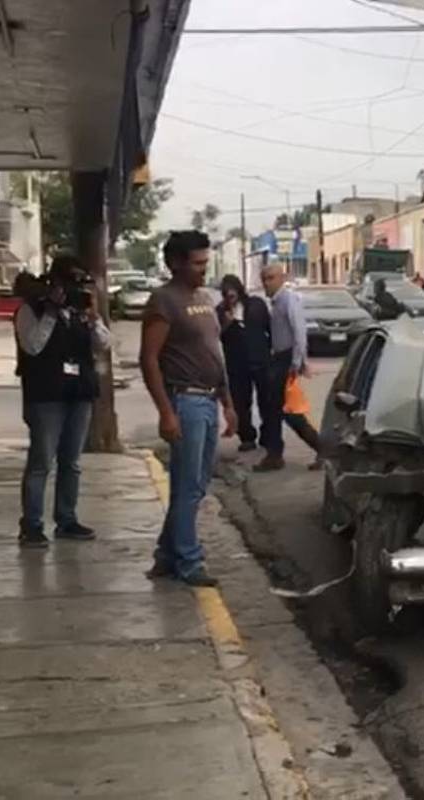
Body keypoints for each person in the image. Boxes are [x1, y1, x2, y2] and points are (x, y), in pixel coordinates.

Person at [141, 231, 237, 587]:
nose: (203, 270)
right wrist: (166, 411)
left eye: (205, 263)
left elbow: (215, 352)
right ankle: (188, 560)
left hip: (209, 400)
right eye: (197, 264)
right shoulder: (163, 302)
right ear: (175, 263)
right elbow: (149, 359)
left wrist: (228, 402)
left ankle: (167, 555)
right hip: (185, 402)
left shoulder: (204, 298)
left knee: (196, 485)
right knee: (186, 486)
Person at [14, 255, 111, 549]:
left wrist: (93, 318)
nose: (74, 290)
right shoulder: (32, 309)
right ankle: (31, 525)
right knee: (42, 461)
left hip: (78, 392)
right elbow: (32, 346)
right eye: (70, 282)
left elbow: (104, 344)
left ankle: (66, 519)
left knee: (71, 461)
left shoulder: (81, 310)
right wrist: (52, 312)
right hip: (46, 395)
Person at [256, 262, 321, 471]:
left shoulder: (288, 299)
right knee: (274, 409)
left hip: (286, 361)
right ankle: (274, 455)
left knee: (289, 411)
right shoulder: (275, 303)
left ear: (282, 278)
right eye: (264, 279)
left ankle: (324, 450)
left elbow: (299, 333)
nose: (267, 283)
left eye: (271, 278)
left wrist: (298, 363)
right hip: (278, 359)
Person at [215, 275, 271, 453]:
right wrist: (227, 323)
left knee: (266, 400)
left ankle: (268, 435)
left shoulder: (255, 304)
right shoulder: (220, 311)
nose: (231, 294)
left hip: (260, 359)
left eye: (233, 290)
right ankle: (247, 437)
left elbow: (269, 327)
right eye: (227, 291)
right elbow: (215, 335)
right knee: (240, 401)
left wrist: (271, 351)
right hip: (236, 363)